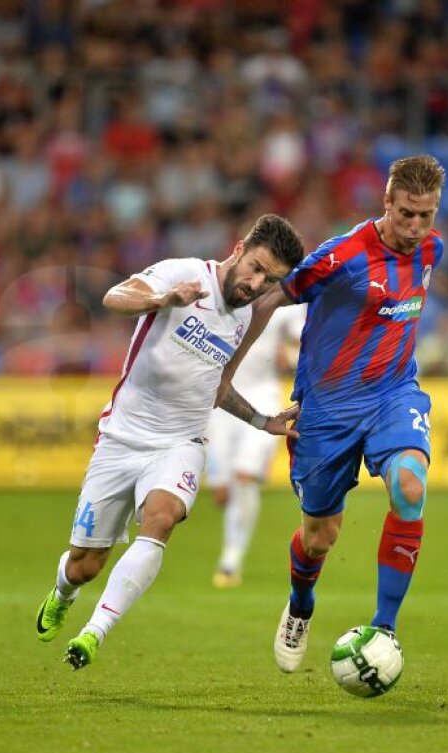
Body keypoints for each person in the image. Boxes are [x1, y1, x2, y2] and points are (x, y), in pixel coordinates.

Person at [35, 214, 306, 670]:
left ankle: (92, 634)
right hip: (121, 439)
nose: (258, 283)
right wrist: (162, 299)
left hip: (181, 441)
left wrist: (263, 421)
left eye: (270, 279)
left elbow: (219, 386)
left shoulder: (247, 317)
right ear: (238, 249)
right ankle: (64, 591)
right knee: (86, 563)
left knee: (160, 521)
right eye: (256, 268)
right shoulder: (184, 274)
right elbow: (113, 297)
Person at [219, 155, 446, 673]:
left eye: (425, 215)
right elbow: (267, 299)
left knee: (410, 488)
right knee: (321, 536)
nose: (415, 227)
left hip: (393, 394)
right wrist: (227, 373)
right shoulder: (342, 255)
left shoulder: (433, 249)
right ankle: (301, 605)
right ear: (386, 203)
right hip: (325, 412)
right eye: (406, 213)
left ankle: (384, 628)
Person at [206, 303, 306, 588]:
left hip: (264, 398)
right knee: (223, 493)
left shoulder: (282, 305)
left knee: (245, 476)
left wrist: (294, 355)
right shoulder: (219, 300)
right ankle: (230, 553)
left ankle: (230, 561)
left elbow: (303, 338)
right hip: (221, 401)